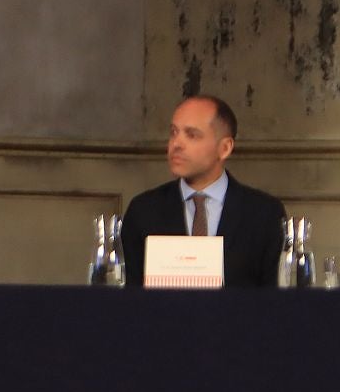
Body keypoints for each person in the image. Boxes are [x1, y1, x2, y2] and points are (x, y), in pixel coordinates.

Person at [120, 96, 285, 287]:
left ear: (224, 148)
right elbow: (128, 297)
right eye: (174, 133)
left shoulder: (264, 213)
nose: (176, 144)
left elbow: (276, 301)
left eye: (192, 135)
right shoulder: (144, 210)